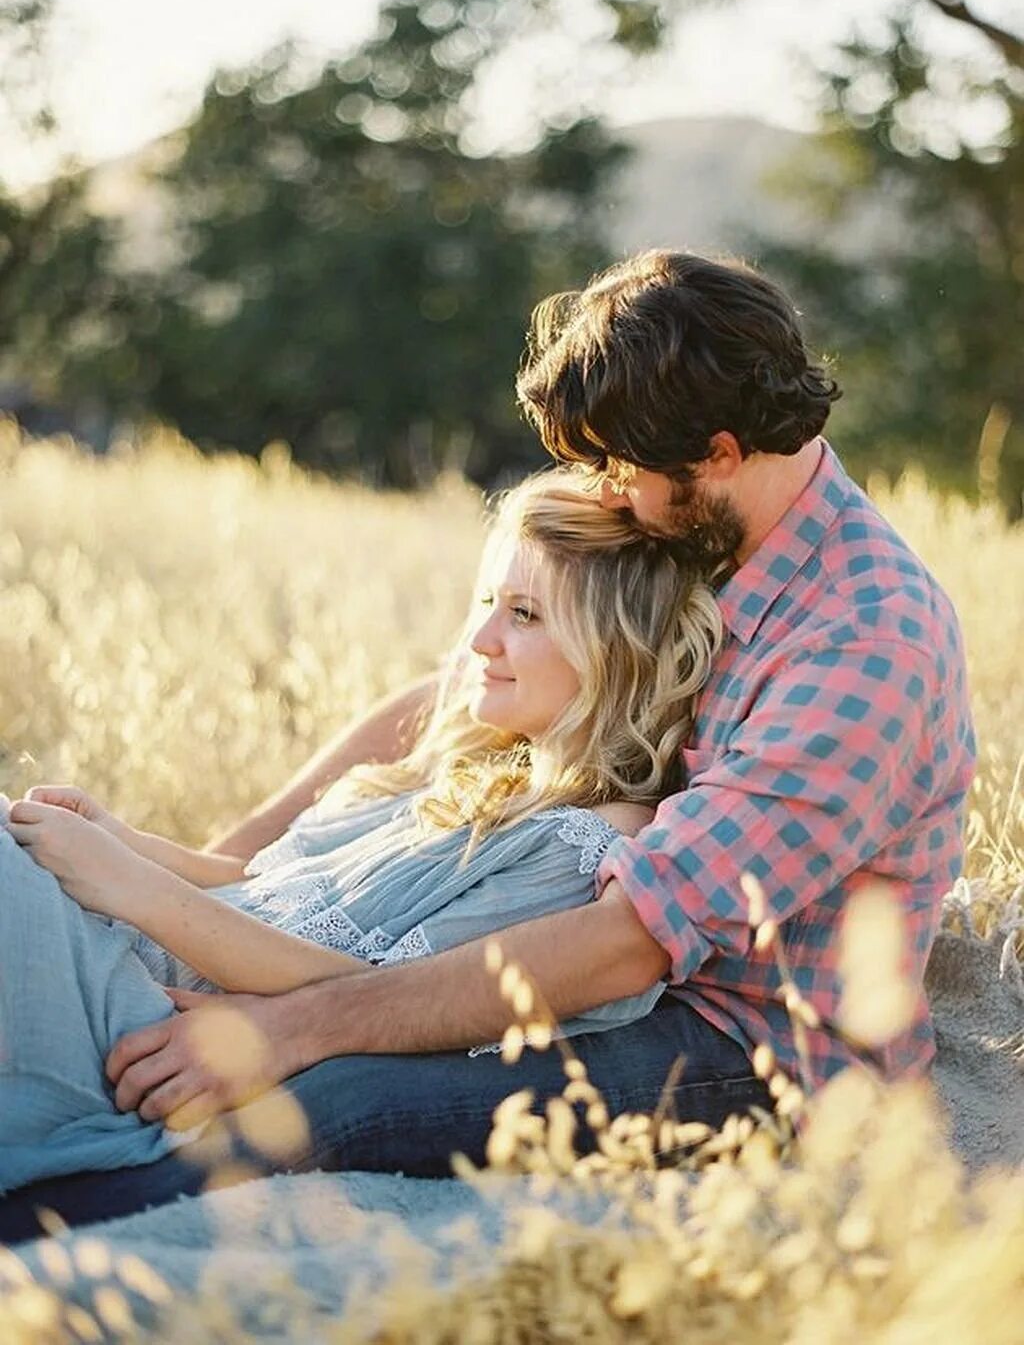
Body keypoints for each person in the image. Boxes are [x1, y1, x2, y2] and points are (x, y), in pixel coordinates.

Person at [0, 249, 975, 1241]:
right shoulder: (691, 524)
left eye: (619, 467)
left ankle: (43, 1233)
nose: (600, 487)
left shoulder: (862, 642)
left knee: (343, 1098)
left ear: (719, 449)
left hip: (746, 1041)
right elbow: (461, 688)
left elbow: (626, 939)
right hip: (601, 953)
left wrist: (293, 1024)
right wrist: (235, 860)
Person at [1, 469, 727, 1195]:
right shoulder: (474, 756)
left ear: (613, 652)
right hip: (128, 946)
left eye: (525, 615)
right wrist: (124, 843)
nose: (480, 640)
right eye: (487, 603)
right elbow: (265, 889)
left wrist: (136, 889)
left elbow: (380, 991)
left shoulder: (587, 842)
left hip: (145, 1013)